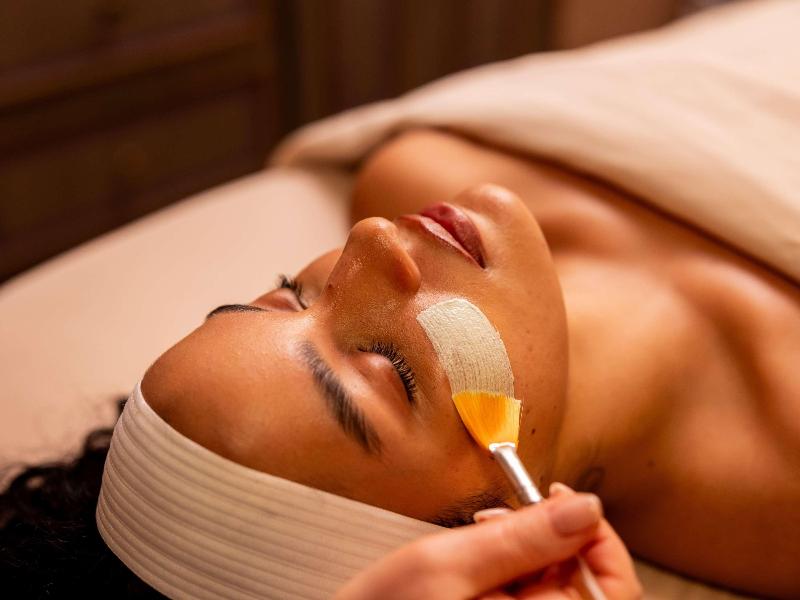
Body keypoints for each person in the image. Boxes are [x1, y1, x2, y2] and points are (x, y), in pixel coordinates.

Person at [2, 128, 798, 598]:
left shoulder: (415, 162)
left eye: (291, 293)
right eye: (387, 365)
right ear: (501, 548)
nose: (373, 239)